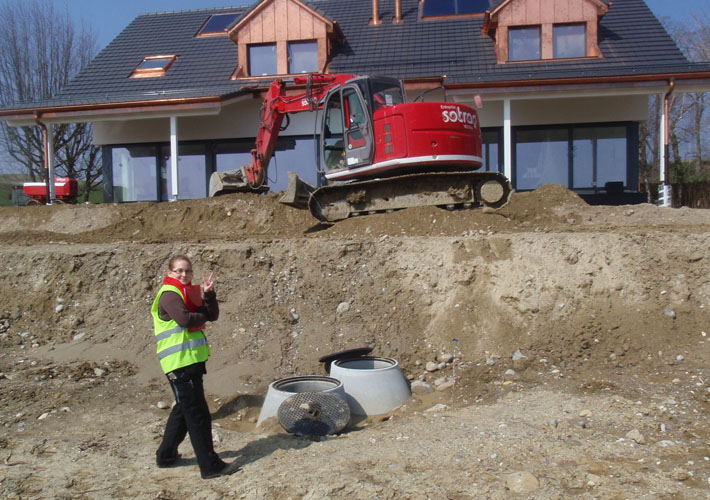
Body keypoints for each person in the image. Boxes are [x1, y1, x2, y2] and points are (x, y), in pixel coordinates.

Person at [151, 254, 239, 479]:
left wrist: (209, 295)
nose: (184, 275)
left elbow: (212, 315)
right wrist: (203, 316)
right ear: (169, 273)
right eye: (179, 271)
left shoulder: (187, 294)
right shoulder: (169, 294)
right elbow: (186, 320)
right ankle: (211, 466)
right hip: (180, 364)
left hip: (190, 362)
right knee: (198, 414)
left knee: (183, 408)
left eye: (187, 271)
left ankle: (166, 456)